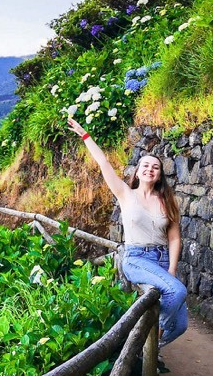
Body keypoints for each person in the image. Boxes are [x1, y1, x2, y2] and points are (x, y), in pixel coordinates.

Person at [67, 117, 187, 348]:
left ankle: (153, 347)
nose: (150, 169)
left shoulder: (168, 201)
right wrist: (84, 134)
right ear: (138, 171)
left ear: (160, 174)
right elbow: (103, 163)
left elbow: (174, 238)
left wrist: (171, 268)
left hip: (162, 260)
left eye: (155, 167)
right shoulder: (125, 193)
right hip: (137, 258)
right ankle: (148, 339)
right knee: (177, 291)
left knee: (181, 325)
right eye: (146, 166)